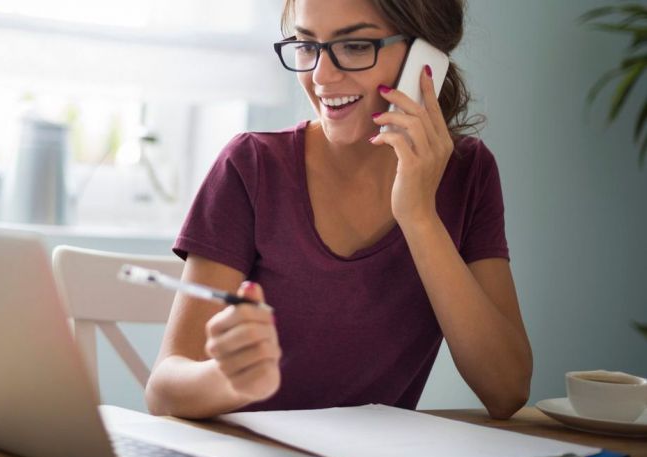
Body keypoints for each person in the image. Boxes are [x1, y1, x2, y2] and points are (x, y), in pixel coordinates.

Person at [145, 0, 533, 420]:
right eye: (306, 45)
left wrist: (419, 215)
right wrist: (229, 378)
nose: (321, 77)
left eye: (354, 46)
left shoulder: (467, 172)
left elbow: (506, 389)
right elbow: (164, 390)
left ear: (426, 59)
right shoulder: (251, 165)